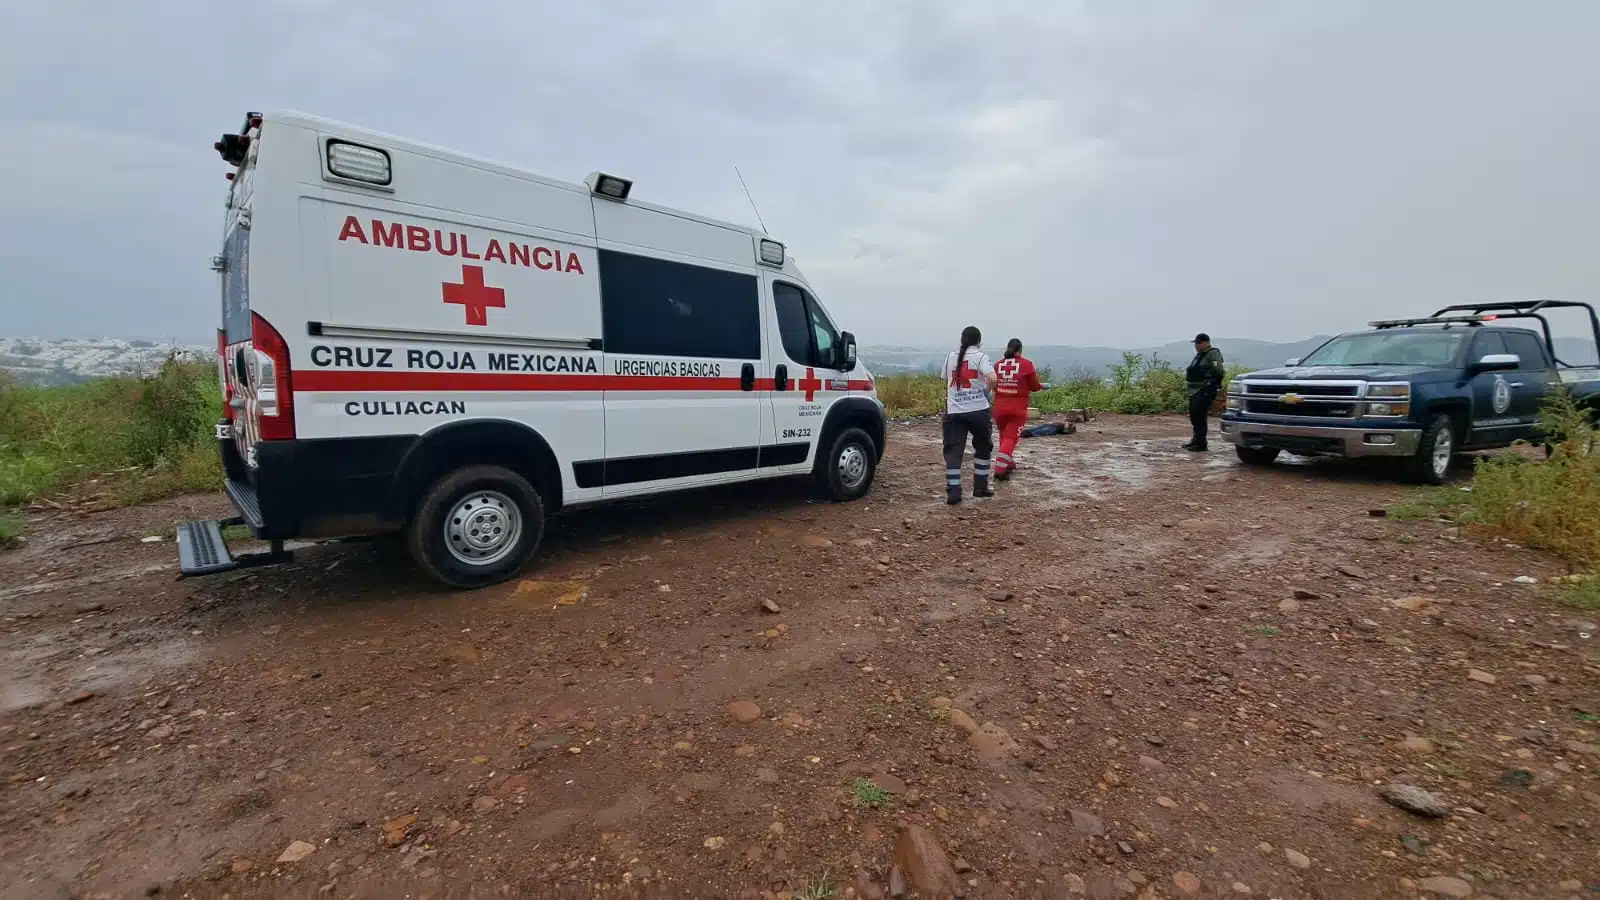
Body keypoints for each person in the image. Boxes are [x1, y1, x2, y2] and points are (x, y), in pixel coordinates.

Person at [940, 325, 998, 504]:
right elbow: (993, 378)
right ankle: (980, 488)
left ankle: (954, 493)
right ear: (979, 341)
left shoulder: (950, 357)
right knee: (983, 447)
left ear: (962, 340)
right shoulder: (981, 357)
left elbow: (944, 378)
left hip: (955, 411)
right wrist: (986, 391)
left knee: (953, 452)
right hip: (978, 410)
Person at [992, 338, 1043, 480]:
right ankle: (1000, 468)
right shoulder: (1026, 365)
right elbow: (1034, 386)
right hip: (1017, 408)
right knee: (1011, 437)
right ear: (1020, 350)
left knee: (1004, 435)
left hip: (999, 408)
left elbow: (993, 384)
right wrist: (1041, 386)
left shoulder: (998, 365)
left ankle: (1008, 462)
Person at [1184, 333, 1226, 451]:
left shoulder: (1212, 353)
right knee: (1195, 415)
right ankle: (1196, 440)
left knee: (1199, 415)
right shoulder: (1201, 355)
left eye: (1198, 343)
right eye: (1196, 343)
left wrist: (1212, 385)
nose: (1196, 346)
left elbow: (1219, 371)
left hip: (1204, 389)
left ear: (1205, 342)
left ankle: (1201, 443)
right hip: (1195, 389)